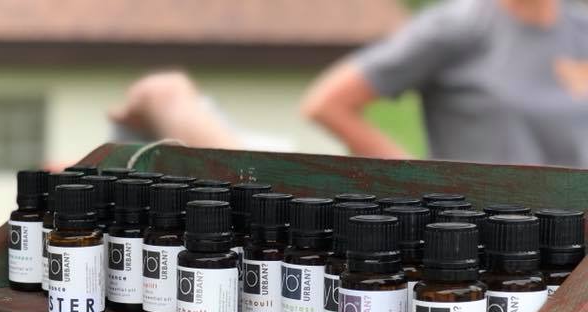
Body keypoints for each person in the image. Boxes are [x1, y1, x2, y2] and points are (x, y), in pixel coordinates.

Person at [111, 0, 588, 166]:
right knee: (272, 197)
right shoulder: (460, 26)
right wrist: (422, 179)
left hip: (571, 247)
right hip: (484, 237)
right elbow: (326, 102)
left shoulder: (579, 29)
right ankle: (166, 100)